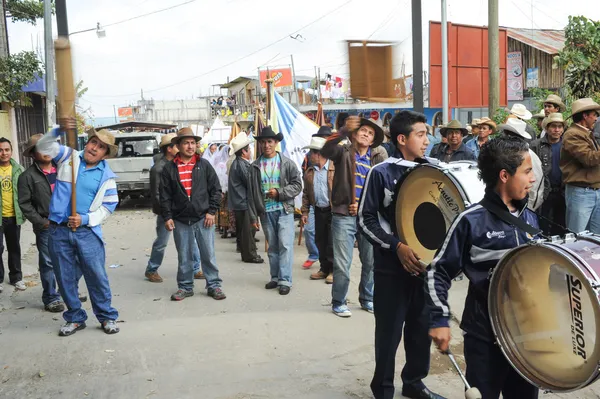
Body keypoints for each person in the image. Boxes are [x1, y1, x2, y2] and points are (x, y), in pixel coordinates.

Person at [427, 137, 539, 399]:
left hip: (526, 337)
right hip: (484, 336)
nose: (532, 179)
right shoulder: (470, 221)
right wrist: (439, 319)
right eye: (527, 171)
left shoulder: (530, 217)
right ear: (504, 175)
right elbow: (437, 272)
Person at [358, 110, 444, 399]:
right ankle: (382, 388)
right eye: (420, 134)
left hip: (424, 268)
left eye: (426, 134)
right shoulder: (381, 172)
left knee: (420, 329)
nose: (426, 139)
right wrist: (396, 246)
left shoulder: (434, 170)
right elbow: (365, 219)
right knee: (388, 332)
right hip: (391, 268)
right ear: (402, 139)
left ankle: (414, 382)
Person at [37, 126, 120, 336]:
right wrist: (60, 129)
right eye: (94, 142)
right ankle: (75, 317)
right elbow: (43, 145)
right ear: (88, 142)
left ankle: (106, 316)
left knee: (97, 276)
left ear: (105, 154)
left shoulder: (107, 177)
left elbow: (109, 206)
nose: (95, 148)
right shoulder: (69, 158)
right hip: (59, 231)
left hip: (87, 233)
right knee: (64, 277)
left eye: (101, 147)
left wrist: (85, 219)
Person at [321, 116, 388, 317]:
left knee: (370, 261)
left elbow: (381, 190)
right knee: (343, 263)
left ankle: (367, 298)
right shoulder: (343, 152)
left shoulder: (376, 160)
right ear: (354, 133)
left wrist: (364, 206)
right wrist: (342, 131)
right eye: (363, 131)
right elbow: (325, 149)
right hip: (343, 216)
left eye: (370, 133)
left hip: (367, 217)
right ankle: (339, 301)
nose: (366, 135)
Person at [160, 127, 226, 301]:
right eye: (186, 143)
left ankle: (214, 285)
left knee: (208, 254)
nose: (190, 146)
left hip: (203, 218)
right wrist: (167, 216)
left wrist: (212, 212)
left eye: (192, 143)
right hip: (180, 219)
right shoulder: (169, 169)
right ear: (178, 145)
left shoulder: (203, 165)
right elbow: (164, 195)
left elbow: (216, 190)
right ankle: (185, 287)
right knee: (184, 255)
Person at [248, 126, 302, 295]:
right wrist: (253, 216)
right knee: (272, 246)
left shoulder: (287, 163)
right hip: (265, 211)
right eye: (263, 142)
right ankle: (275, 277)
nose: (266, 145)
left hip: (284, 209)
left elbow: (297, 185)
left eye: (270, 141)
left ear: (276, 143)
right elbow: (250, 193)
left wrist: (279, 193)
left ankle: (285, 280)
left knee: (285, 245)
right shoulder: (254, 166)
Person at [145, 133, 202, 283]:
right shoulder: (158, 168)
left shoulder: (176, 164)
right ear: (169, 149)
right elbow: (157, 194)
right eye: (177, 145)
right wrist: (165, 214)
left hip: (182, 211)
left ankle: (195, 268)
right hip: (167, 213)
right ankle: (152, 269)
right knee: (162, 242)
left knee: (191, 240)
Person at [17, 134, 63, 311]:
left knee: (69, 260)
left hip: (66, 224)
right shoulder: (27, 177)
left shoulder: (62, 170)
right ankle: (51, 297)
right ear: (33, 153)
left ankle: (68, 291)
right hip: (46, 226)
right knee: (48, 262)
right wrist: (42, 222)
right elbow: (25, 204)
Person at [560, 98, 600, 233]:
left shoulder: (585, 133)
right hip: (581, 192)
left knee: (595, 238)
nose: (596, 118)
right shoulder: (572, 134)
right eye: (594, 114)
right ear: (585, 115)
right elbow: (589, 159)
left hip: (592, 191)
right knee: (577, 236)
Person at [301, 132, 335, 284]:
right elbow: (306, 194)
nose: (309, 155)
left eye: (311, 152)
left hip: (333, 210)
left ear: (319, 153)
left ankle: (333, 270)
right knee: (320, 240)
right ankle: (324, 268)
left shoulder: (334, 169)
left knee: (331, 241)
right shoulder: (310, 172)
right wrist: (305, 211)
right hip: (318, 210)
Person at [228, 133, 263, 264]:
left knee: (244, 230)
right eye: (249, 149)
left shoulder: (238, 163)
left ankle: (247, 253)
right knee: (248, 230)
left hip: (239, 201)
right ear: (244, 151)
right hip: (244, 201)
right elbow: (250, 184)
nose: (250, 152)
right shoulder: (242, 165)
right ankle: (250, 255)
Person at [530, 113, 567, 235]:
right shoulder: (536, 145)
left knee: (561, 224)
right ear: (547, 128)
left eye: (560, 127)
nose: (557, 130)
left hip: (562, 190)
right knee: (542, 222)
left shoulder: (567, 144)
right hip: (544, 190)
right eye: (553, 126)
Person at [498, 118, 544, 211]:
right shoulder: (502, 152)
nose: (506, 136)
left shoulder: (529, 155)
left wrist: (529, 208)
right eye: (506, 133)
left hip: (523, 205)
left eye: (510, 135)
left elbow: (537, 184)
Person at [0, 138, 24, 294]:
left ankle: (16, 278)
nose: (3, 153)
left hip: (14, 215)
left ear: (11, 151)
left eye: (6, 150)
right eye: (0, 150)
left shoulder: (18, 169)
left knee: (14, 247)